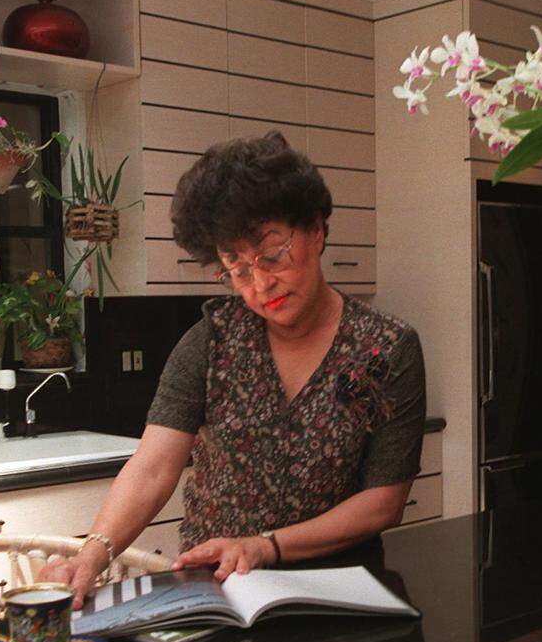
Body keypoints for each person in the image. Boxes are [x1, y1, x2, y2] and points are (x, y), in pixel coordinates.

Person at [41, 131, 426, 606]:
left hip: (336, 594)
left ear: (317, 230)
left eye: (272, 254)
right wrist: (93, 553)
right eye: (237, 269)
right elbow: (153, 466)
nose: (261, 283)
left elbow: (383, 502)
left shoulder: (386, 349)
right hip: (215, 591)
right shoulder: (212, 339)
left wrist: (265, 547)